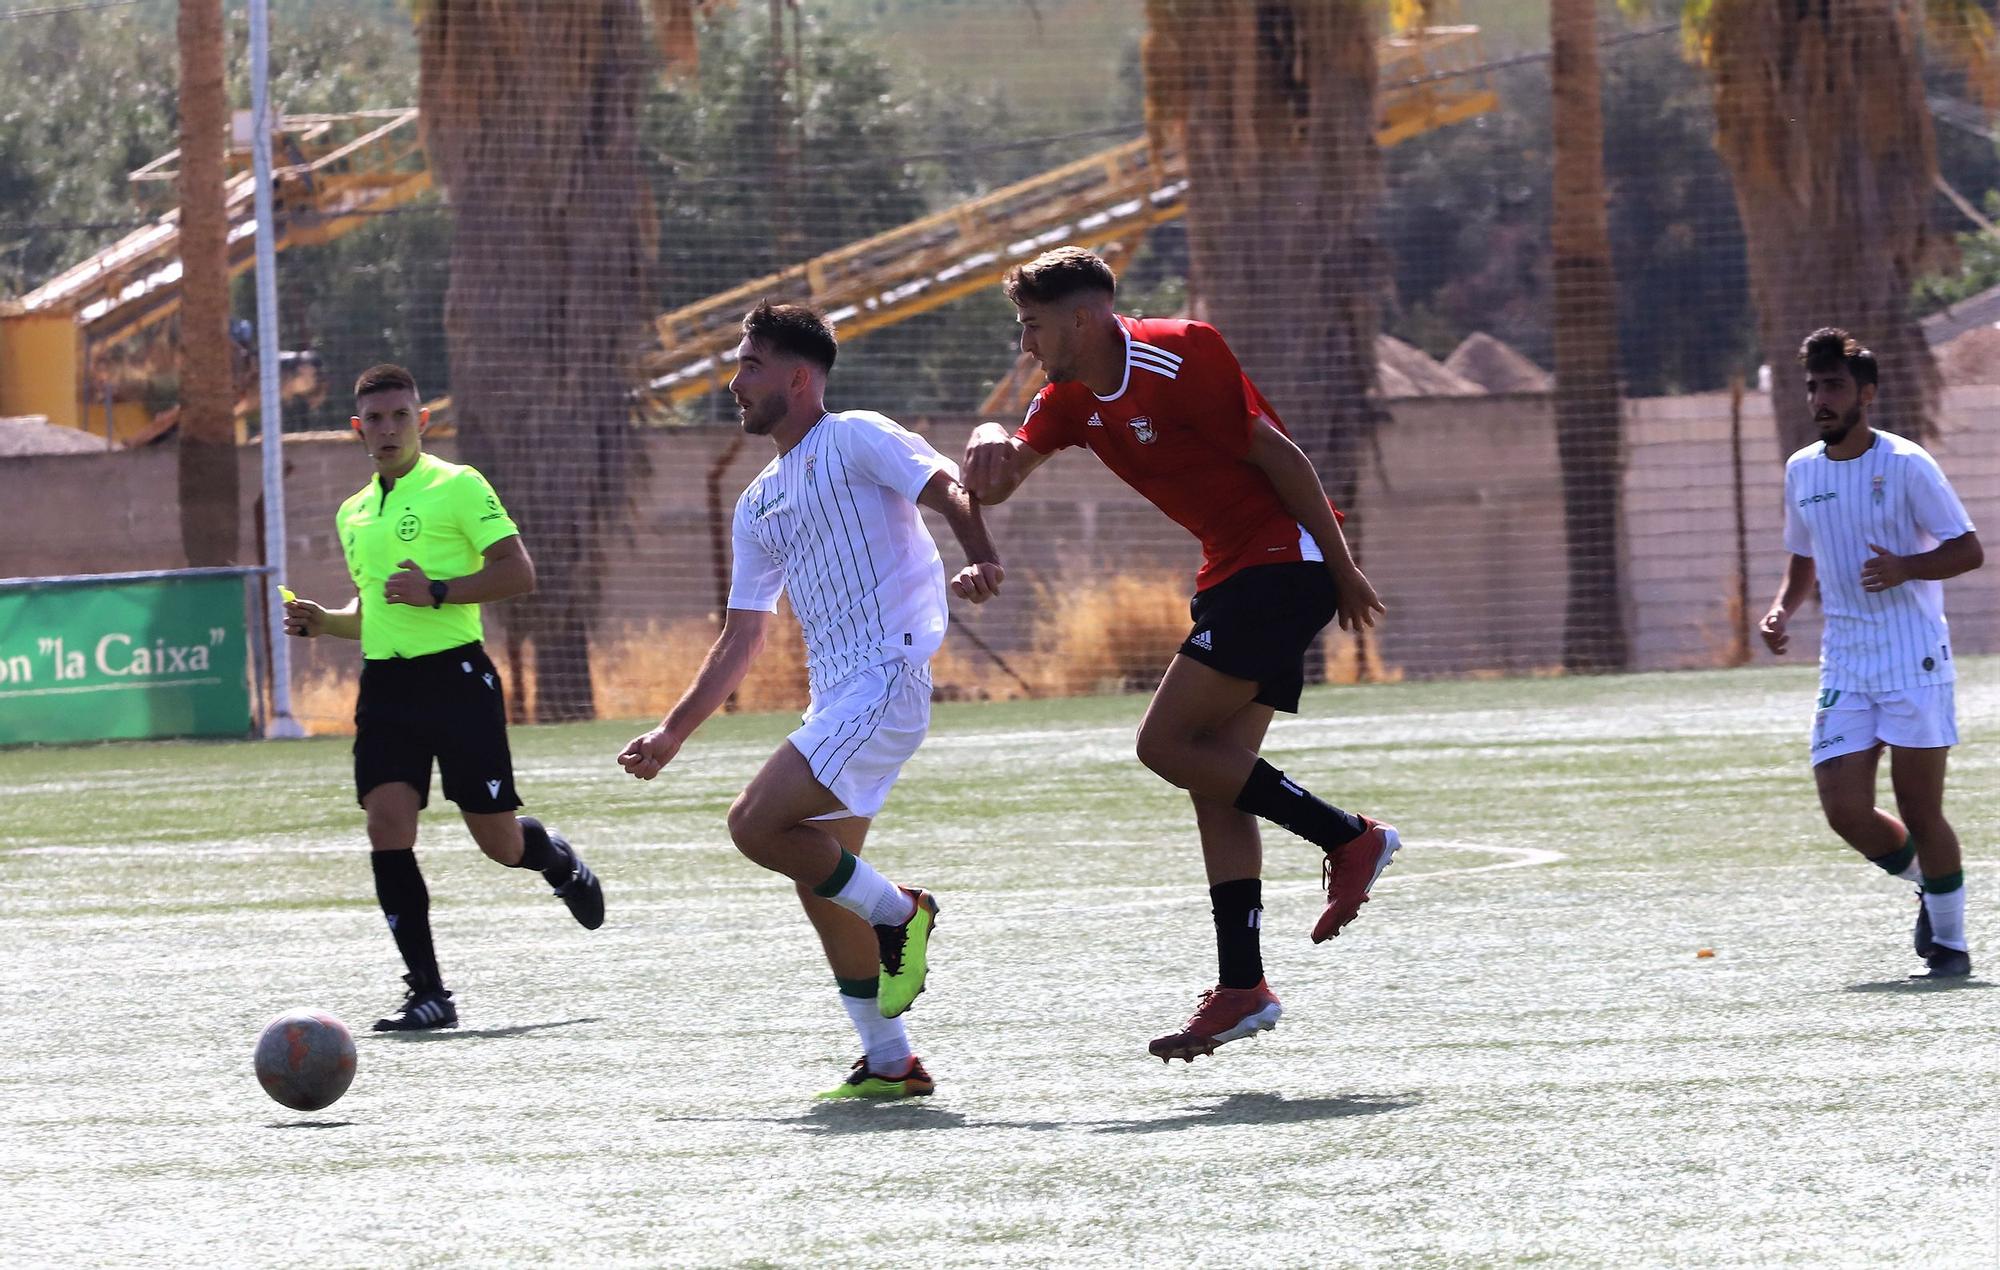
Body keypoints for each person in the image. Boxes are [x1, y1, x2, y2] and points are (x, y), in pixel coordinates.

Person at [962, 246, 1398, 1063]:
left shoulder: (1181, 350)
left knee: (1163, 745)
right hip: (1235, 572)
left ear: (1082, 319)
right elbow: (996, 481)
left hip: (1282, 560)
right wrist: (989, 433)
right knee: (1214, 779)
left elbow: (1283, 457)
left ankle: (1349, 836)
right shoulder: (1065, 399)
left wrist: (1340, 568)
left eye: (1033, 326)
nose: (1025, 344)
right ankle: (1243, 987)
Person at [618, 302, 1003, 1099]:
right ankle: (890, 1061)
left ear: (798, 377)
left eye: (749, 365)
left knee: (756, 824)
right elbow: (741, 638)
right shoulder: (757, 500)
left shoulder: (858, 433)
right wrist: (672, 732)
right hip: (837, 698)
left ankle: (904, 913)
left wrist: (982, 559)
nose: (733, 381)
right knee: (822, 879)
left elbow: (949, 488)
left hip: (887, 678)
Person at [283, 363, 605, 1031]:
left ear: (422, 421)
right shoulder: (353, 513)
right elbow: (377, 610)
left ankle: (555, 860)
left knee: (498, 843)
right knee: (386, 825)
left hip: (457, 680)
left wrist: (438, 590)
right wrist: (326, 622)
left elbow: (518, 572)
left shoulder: (458, 486)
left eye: (401, 415)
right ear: (357, 430)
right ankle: (428, 992)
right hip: (386, 686)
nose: (388, 428)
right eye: (375, 419)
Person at [1759, 327, 1983, 979]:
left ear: (1866, 394)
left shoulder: (1907, 464)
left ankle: (1951, 944)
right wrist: (1783, 608)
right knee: (1845, 810)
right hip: (1847, 663)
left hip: (1913, 658)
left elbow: (1967, 549)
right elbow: (1803, 555)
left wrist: (1908, 567)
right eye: (1812, 387)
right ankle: (1930, 883)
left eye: (1832, 386)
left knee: (1920, 807)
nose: (1820, 399)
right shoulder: (1803, 470)